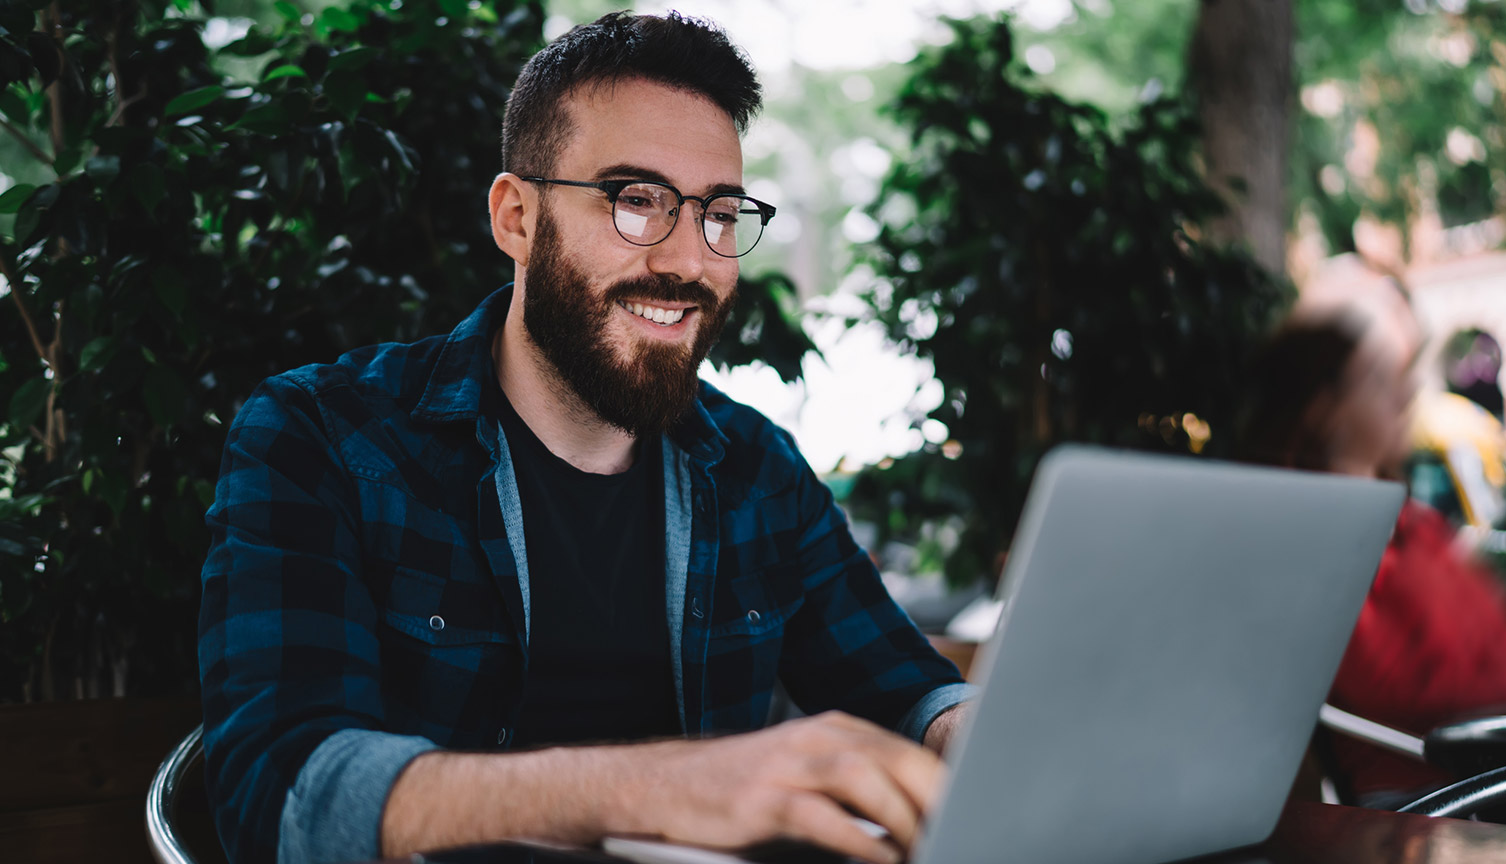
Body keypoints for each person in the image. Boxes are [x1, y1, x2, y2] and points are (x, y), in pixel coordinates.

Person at [197, 12, 973, 864]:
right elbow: (280, 798)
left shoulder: (756, 468)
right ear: (517, 219)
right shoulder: (323, 437)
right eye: (637, 201)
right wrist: (664, 788)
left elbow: (908, 689)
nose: (688, 260)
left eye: (719, 212)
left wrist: (967, 734)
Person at [1242, 312, 1506, 807]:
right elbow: (1403, 690)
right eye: (1378, 381)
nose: (1402, 397)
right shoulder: (1321, 541)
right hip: (1443, 789)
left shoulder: (1413, 523)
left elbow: (1502, 637)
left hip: (1502, 759)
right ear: (1324, 408)